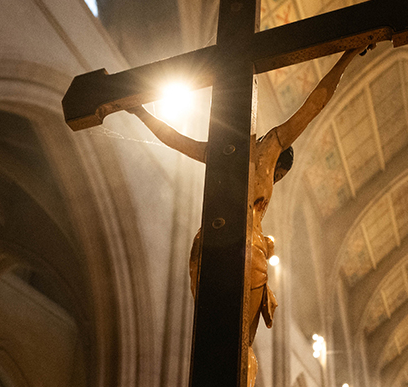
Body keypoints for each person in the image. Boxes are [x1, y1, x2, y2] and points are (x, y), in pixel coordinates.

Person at [125, 44, 370, 387]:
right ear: (281, 166)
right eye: (278, 177)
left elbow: (173, 138)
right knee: (237, 346)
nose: (275, 181)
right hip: (246, 254)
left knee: (213, 339)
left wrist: (139, 112)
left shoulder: (219, 150)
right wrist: (346, 56)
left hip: (210, 245)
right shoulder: (273, 146)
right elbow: (315, 104)